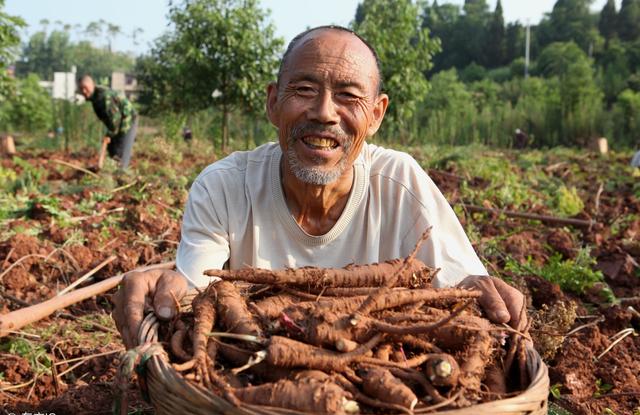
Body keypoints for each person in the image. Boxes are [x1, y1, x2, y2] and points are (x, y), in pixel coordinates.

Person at [112, 26, 526, 349]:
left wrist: (478, 294)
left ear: (377, 114)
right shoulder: (223, 187)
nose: (325, 113)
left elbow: (460, 292)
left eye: (348, 95)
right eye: (305, 90)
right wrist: (169, 291)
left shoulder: (400, 185)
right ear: (273, 103)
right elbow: (194, 286)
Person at [78, 75, 138, 169]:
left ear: (92, 84)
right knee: (112, 150)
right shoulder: (95, 98)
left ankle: (122, 176)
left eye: (86, 88)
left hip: (127, 121)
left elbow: (115, 120)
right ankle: (112, 175)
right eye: (81, 89)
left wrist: (109, 135)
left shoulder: (104, 97)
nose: (84, 91)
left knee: (120, 153)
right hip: (117, 125)